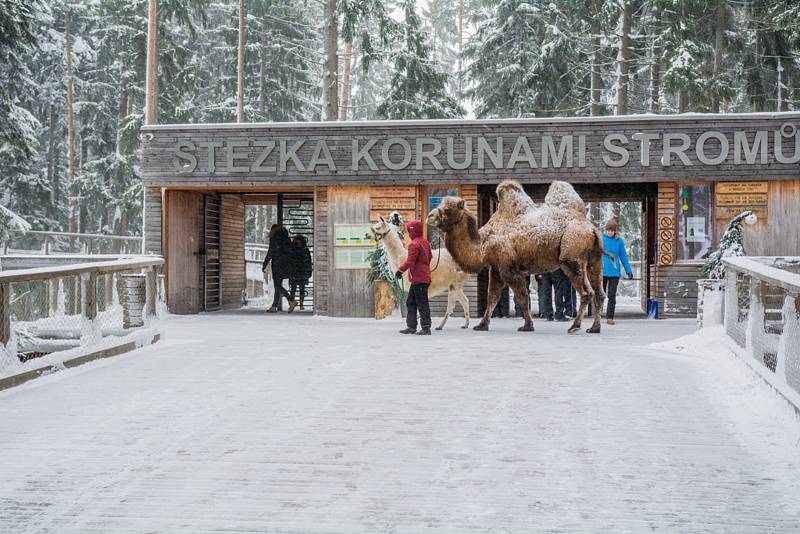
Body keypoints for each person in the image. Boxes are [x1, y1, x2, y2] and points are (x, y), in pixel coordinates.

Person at [395, 220, 432, 335]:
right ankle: (411, 326)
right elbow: (430, 256)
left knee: (421, 303)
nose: (408, 234)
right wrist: (423, 266)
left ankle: (426, 327)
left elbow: (410, 261)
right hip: (422, 277)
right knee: (411, 302)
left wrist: (400, 270)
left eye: (409, 231)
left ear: (413, 231)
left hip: (419, 278)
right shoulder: (425, 242)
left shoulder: (414, 244)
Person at [602, 218, 633, 325]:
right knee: (600, 294)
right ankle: (597, 314)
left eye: (612, 230)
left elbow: (623, 257)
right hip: (602, 271)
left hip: (614, 272)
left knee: (611, 295)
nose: (610, 232)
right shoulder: (601, 239)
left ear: (614, 231)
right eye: (608, 230)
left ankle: (610, 317)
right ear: (605, 230)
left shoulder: (619, 241)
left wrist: (628, 270)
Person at [262, 225, 295, 313]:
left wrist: (265, 264)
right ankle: (274, 306)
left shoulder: (275, 238)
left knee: (277, 285)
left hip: (277, 264)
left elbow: (270, 252)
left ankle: (291, 300)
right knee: (278, 285)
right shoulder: (287, 239)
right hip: (286, 264)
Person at [288, 234, 313, 312]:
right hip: (303, 272)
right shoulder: (306, 250)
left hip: (294, 272)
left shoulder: (291, 249)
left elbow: (289, 261)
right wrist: (309, 272)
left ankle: (291, 303)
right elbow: (309, 262)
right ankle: (301, 304)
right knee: (302, 289)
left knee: (293, 289)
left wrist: (289, 271)